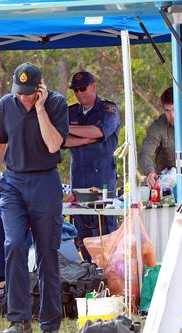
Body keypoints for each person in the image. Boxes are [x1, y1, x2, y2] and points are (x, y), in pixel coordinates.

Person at [0, 62, 68, 333]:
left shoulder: (56, 104)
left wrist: (41, 109)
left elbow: (54, 144)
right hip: (13, 183)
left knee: (47, 253)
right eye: (19, 92)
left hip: (45, 182)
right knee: (14, 244)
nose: (23, 98)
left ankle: (50, 326)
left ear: (40, 88)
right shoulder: (6, 104)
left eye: (29, 93)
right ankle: (19, 320)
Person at [64, 71, 120, 262]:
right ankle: (90, 274)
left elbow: (99, 130)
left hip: (102, 178)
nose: (79, 93)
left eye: (83, 88)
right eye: (75, 90)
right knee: (83, 230)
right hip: (79, 176)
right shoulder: (70, 112)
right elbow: (61, 140)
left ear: (93, 87)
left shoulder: (108, 109)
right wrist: (89, 137)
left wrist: (70, 130)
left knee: (105, 228)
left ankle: (110, 273)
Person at [138, 87, 176, 188]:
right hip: (166, 186)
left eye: (174, 110)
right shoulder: (158, 126)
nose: (172, 115)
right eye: (167, 110)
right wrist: (149, 172)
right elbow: (144, 153)